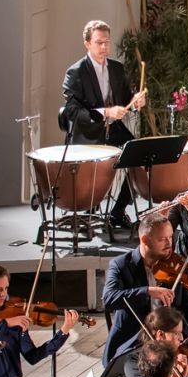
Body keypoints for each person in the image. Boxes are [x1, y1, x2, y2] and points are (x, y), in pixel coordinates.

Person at [60, 19, 147, 227]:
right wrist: (106, 112)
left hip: (113, 129)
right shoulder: (76, 72)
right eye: (99, 43)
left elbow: (127, 97)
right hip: (89, 133)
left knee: (141, 157)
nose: (104, 47)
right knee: (98, 171)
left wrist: (136, 102)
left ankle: (118, 211)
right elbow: (72, 111)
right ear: (87, 44)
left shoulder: (116, 69)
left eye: (107, 42)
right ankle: (89, 210)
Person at [101, 210, 188, 371]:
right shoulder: (121, 265)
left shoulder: (175, 265)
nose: (169, 244)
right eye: (162, 239)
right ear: (145, 239)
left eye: (170, 237)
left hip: (171, 344)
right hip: (134, 344)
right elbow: (108, 299)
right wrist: (147, 291)